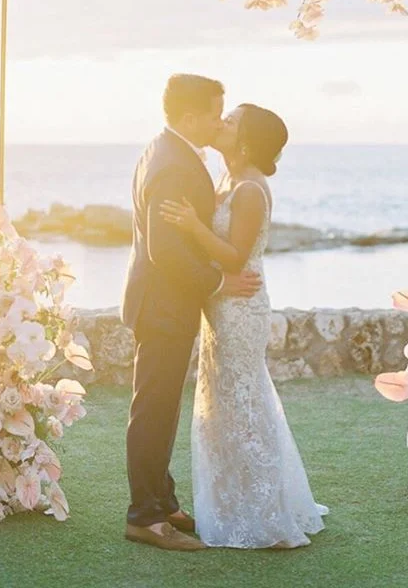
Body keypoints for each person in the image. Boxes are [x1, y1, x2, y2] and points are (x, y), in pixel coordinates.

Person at [160, 103, 327, 549]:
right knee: (226, 404)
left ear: (247, 140)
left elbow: (235, 256)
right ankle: (237, 503)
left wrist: (194, 226)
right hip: (221, 306)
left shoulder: (251, 189)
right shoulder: (227, 180)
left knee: (243, 406)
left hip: (240, 309)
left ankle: (264, 516)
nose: (221, 122)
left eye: (230, 121)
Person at [121, 75, 262, 552]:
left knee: (162, 408)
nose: (220, 120)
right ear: (188, 117)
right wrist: (221, 282)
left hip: (166, 305)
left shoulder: (168, 151)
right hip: (162, 306)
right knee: (153, 412)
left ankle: (164, 501)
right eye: (214, 112)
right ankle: (144, 516)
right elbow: (166, 252)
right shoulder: (173, 165)